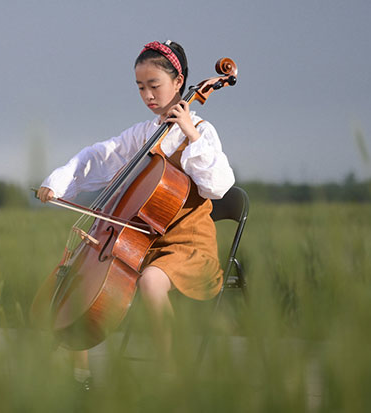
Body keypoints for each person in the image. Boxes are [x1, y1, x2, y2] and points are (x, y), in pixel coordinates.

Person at [36, 40, 235, 387]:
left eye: (154, 85)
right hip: (145, 242)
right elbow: (100, 155)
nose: (147, 95)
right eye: (141, 87)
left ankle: (173, 374)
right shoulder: (145, 133)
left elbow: (218, 186)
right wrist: (60, 181)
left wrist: (189, 132)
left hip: (189, 246)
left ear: (179, 82)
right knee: (83, 279)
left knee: (152, 281)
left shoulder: (202, 131)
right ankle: (79, 377)